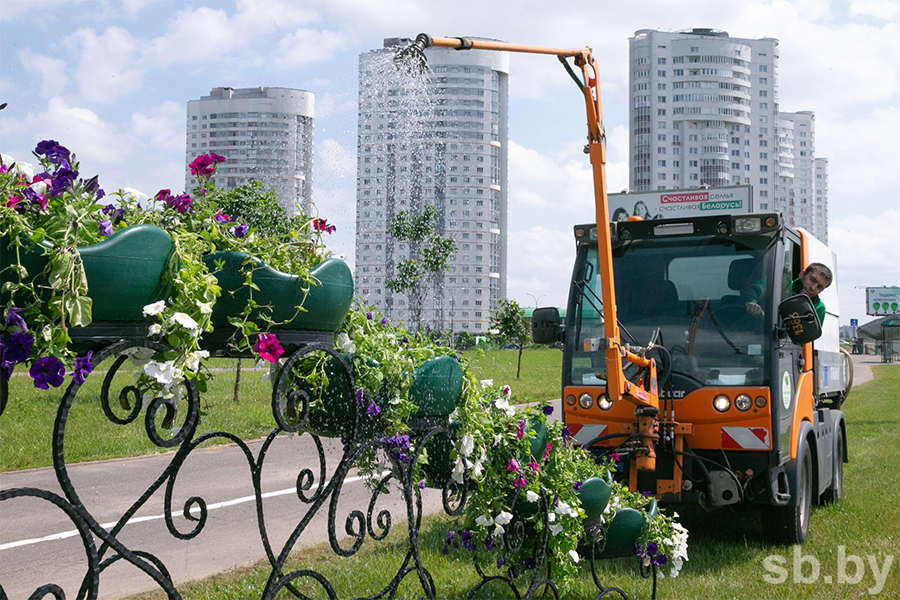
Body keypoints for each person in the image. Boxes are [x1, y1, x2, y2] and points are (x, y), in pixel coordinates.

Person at [744, 262, 832, 324]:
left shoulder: (819, 307)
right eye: (812, 280)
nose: (813, 288)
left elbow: (807, 336)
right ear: (802, 274)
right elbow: (755, 289)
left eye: (819, 287)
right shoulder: (781, 283)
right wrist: (751, 302)